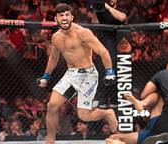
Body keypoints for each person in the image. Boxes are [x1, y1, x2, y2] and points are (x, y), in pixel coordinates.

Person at [37, 3, 118, 144]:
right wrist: (46, 76)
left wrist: (109, 71)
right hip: (72, 75)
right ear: (56, 19)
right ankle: (50, 140)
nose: (64, 18)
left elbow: (103, 51)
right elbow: (54, 58)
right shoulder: (56, 37)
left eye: (67, 14)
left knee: (84, 115)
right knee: (52, 106)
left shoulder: (83, 33)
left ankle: (107, 113)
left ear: (72, 17)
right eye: (61, 15)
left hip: (88, 75)